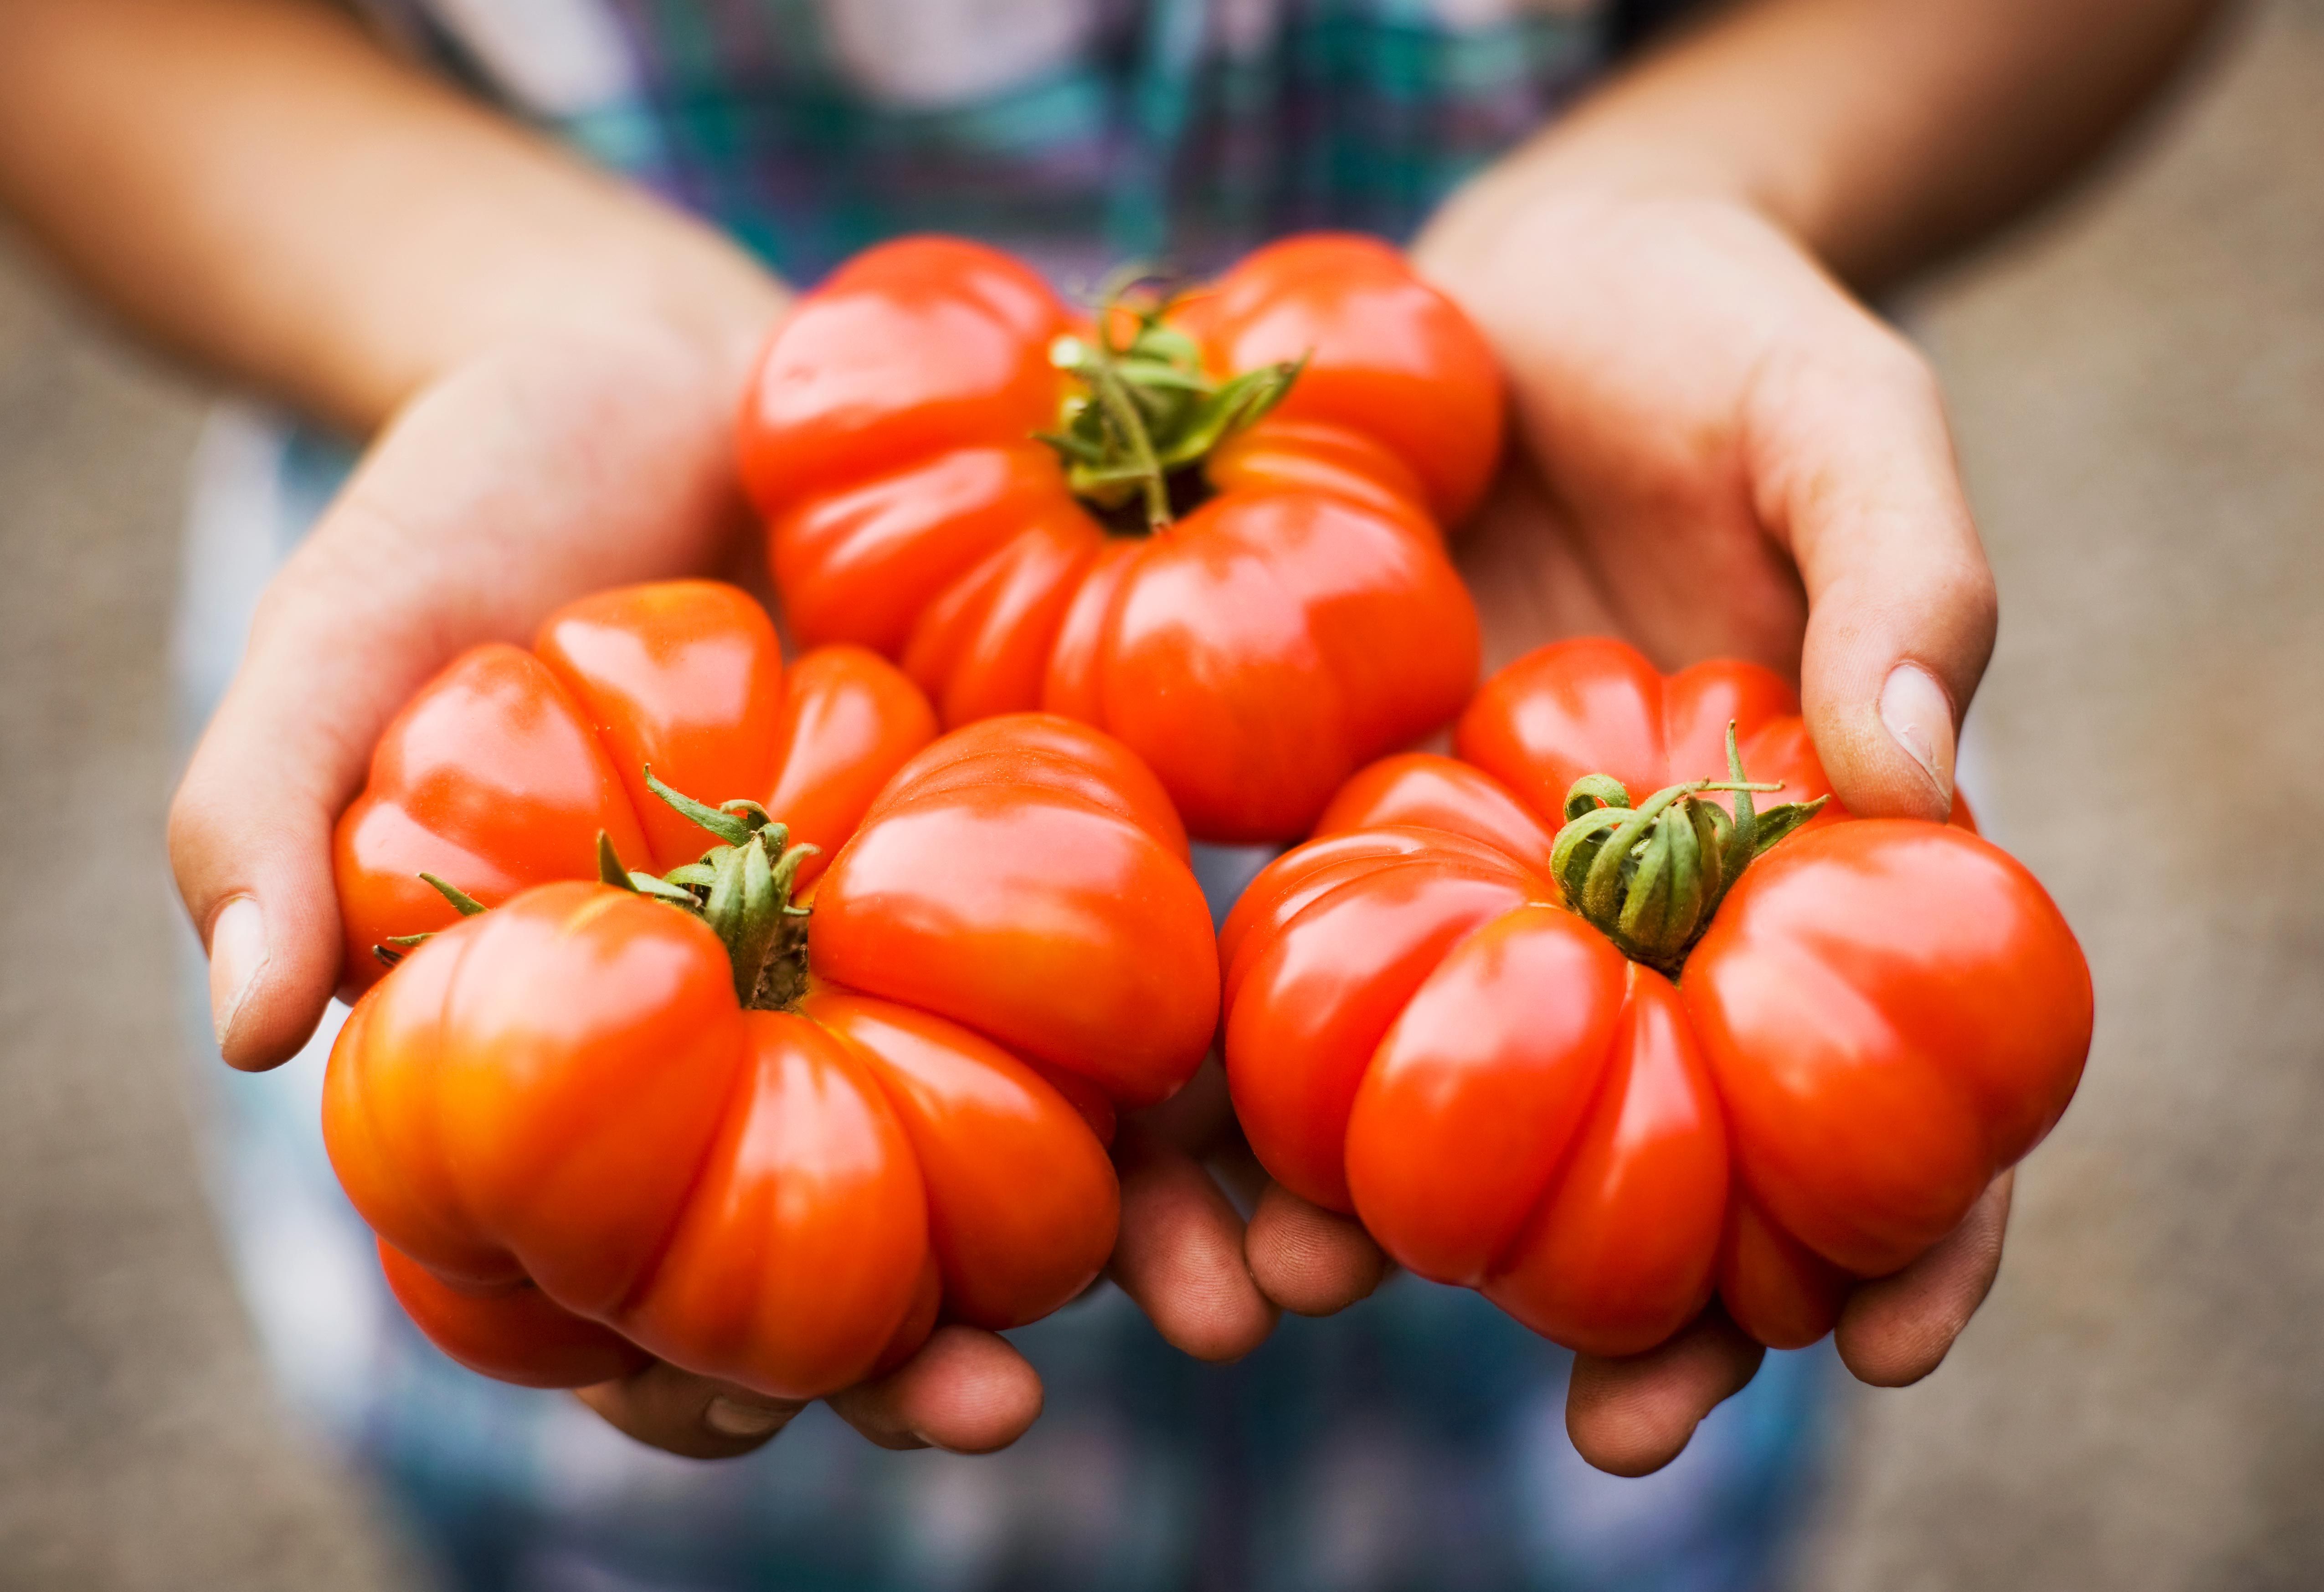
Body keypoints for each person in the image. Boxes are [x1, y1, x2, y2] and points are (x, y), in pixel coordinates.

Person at [0, 0, 2220, 1586]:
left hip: (1522, 1426)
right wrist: (493, 304)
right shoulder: (696, 753)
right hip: (654, 1450)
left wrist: (1707, 176)